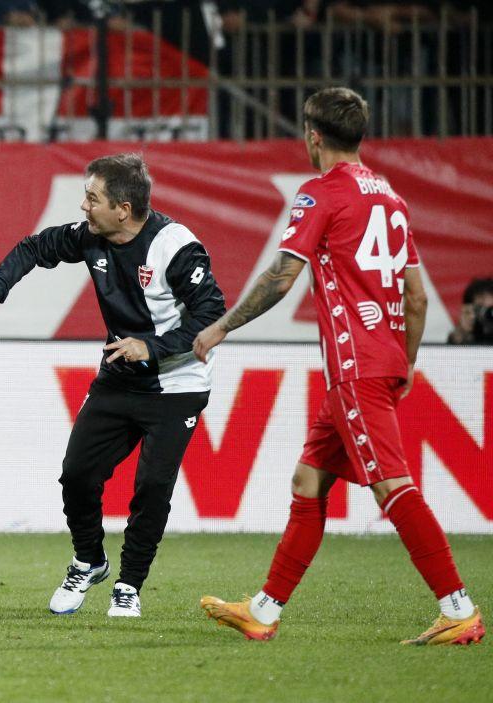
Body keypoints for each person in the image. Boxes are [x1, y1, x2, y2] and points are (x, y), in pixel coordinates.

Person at [195, 87, 484, 645]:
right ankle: (263, 609)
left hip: (354, 366)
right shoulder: (393, 200)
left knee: (391, 487)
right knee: (309, 479)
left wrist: (222, 326)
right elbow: (417, 297)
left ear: (313, 135)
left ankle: (459, 608)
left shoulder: (321, 194)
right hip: (383, 362)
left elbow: (281, 276)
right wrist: (403, 365)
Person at [0, 153, 225, 618]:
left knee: (152, 487)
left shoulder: (176, 246)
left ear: (123, 208)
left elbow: (212, 315)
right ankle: (89, 560)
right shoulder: (91, 237)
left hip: (178, 383)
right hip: (119, 377)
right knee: (78, 475)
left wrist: (153, 347)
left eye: (92, 198)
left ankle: (129, 585)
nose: (83, 207)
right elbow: (34, 248)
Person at [447, 277, 493, 345]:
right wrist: (462, 332)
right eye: (480, 308)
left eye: (490, 309)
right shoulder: (467, 336)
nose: (487, 314)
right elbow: (452, 353)